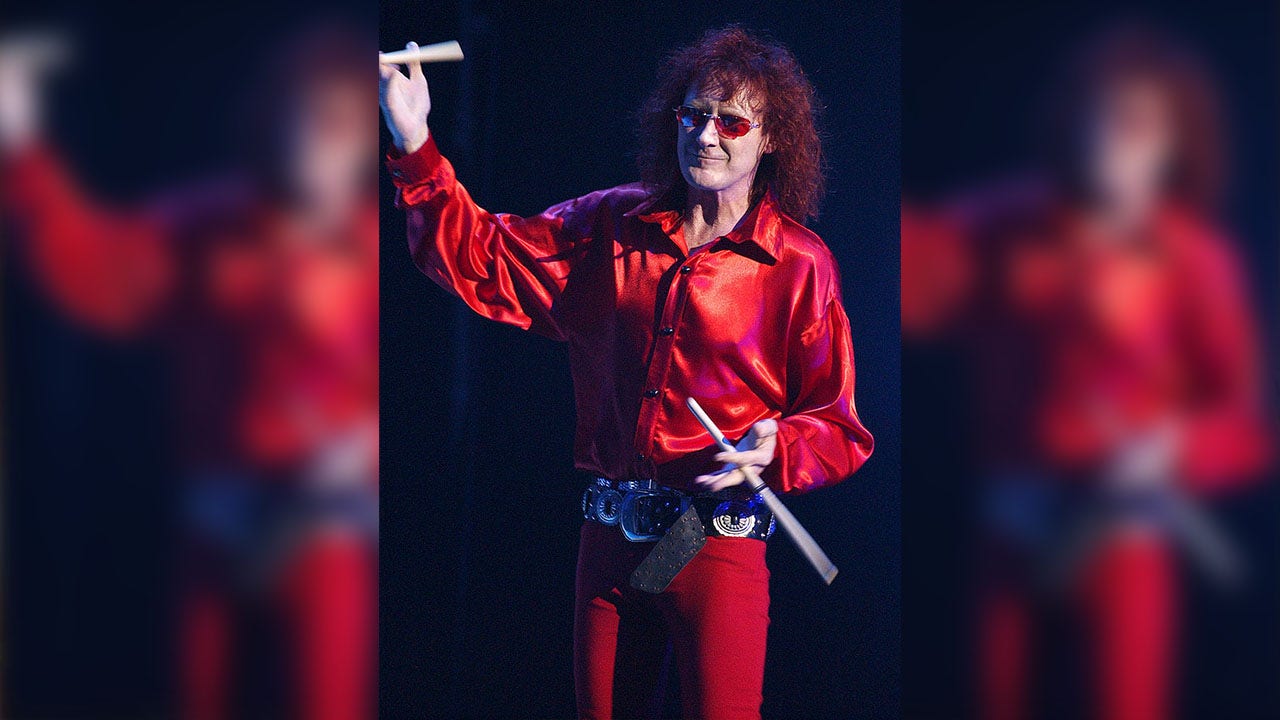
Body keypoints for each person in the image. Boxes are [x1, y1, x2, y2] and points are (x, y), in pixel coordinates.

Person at [380, 26, 874, 720]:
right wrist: (414, 144)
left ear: (770, 140)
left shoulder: (798, 264)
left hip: (709, 534)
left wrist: (778, 446)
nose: (707, 135)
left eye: (732, 122)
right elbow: (483, 253)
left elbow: (838, 426)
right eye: (694, 116)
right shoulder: (611, 225)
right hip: (613, 533)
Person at [0, 23, 379, 720]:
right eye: (314, 123)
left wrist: (367, 447)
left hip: (327, 523)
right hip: (220, 519)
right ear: (278, 125)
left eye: (346, 129)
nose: (327, 146)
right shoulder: (210, 227)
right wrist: (21, 146)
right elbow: (93, 265)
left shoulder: (376, 246)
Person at [902, 23, 1271, 720]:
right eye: (1101, 119)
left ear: (1173, 146)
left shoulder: (1198, 261)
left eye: (1138, 127)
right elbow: (913, 268)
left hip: (1123, 540)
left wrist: (1177, 450)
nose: (1113, 142)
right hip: (1014, 530)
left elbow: (1247, 424)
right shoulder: (1007, 225)